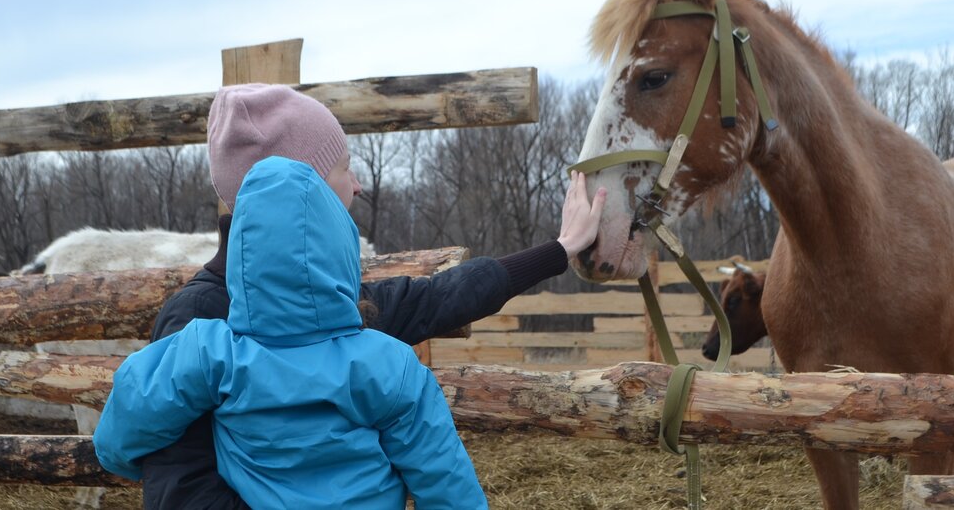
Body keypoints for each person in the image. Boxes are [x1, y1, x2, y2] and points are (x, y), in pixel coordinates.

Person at [139, 83, 607, 509]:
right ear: (306, 191)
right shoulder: (199, 316)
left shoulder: (330, 305)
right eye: (344, 166)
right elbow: (179, 488)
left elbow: (437, 299)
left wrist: (559, 250)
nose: (358, 184)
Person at [93, 156, 488, 508]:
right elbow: (445, 479)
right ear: (342, 251)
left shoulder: (207, 353)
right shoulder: (388, 364)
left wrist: (121, 463)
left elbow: (121, 429)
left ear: (242, 258)